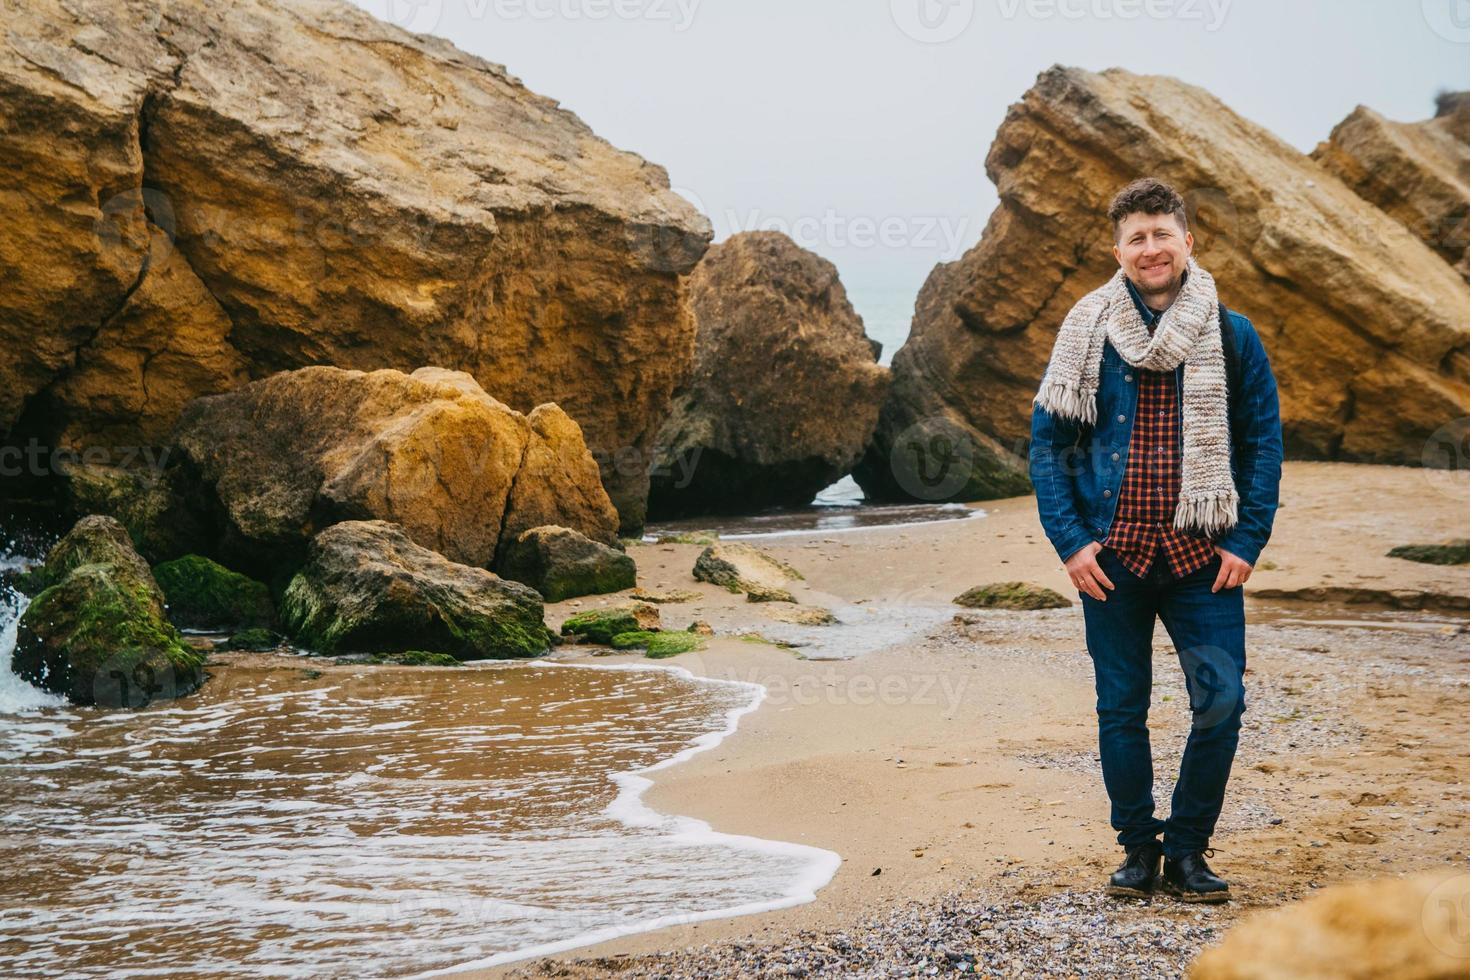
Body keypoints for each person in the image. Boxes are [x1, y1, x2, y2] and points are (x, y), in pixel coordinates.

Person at [1027, 177, 1283, 903]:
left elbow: (1263, 442)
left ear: (1187, 241)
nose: (1151, 248)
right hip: (1112, 558)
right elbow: (1048, 445)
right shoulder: (1088, 329)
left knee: (1220, 704)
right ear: (1120, 250)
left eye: (1161, 234)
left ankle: (1190, 853)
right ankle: (1139, 851)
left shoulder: (1232, 335)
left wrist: (1247, 539)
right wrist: (1072, 543)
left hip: (1205, 558)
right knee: (1121, 708)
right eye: (1136, 237)